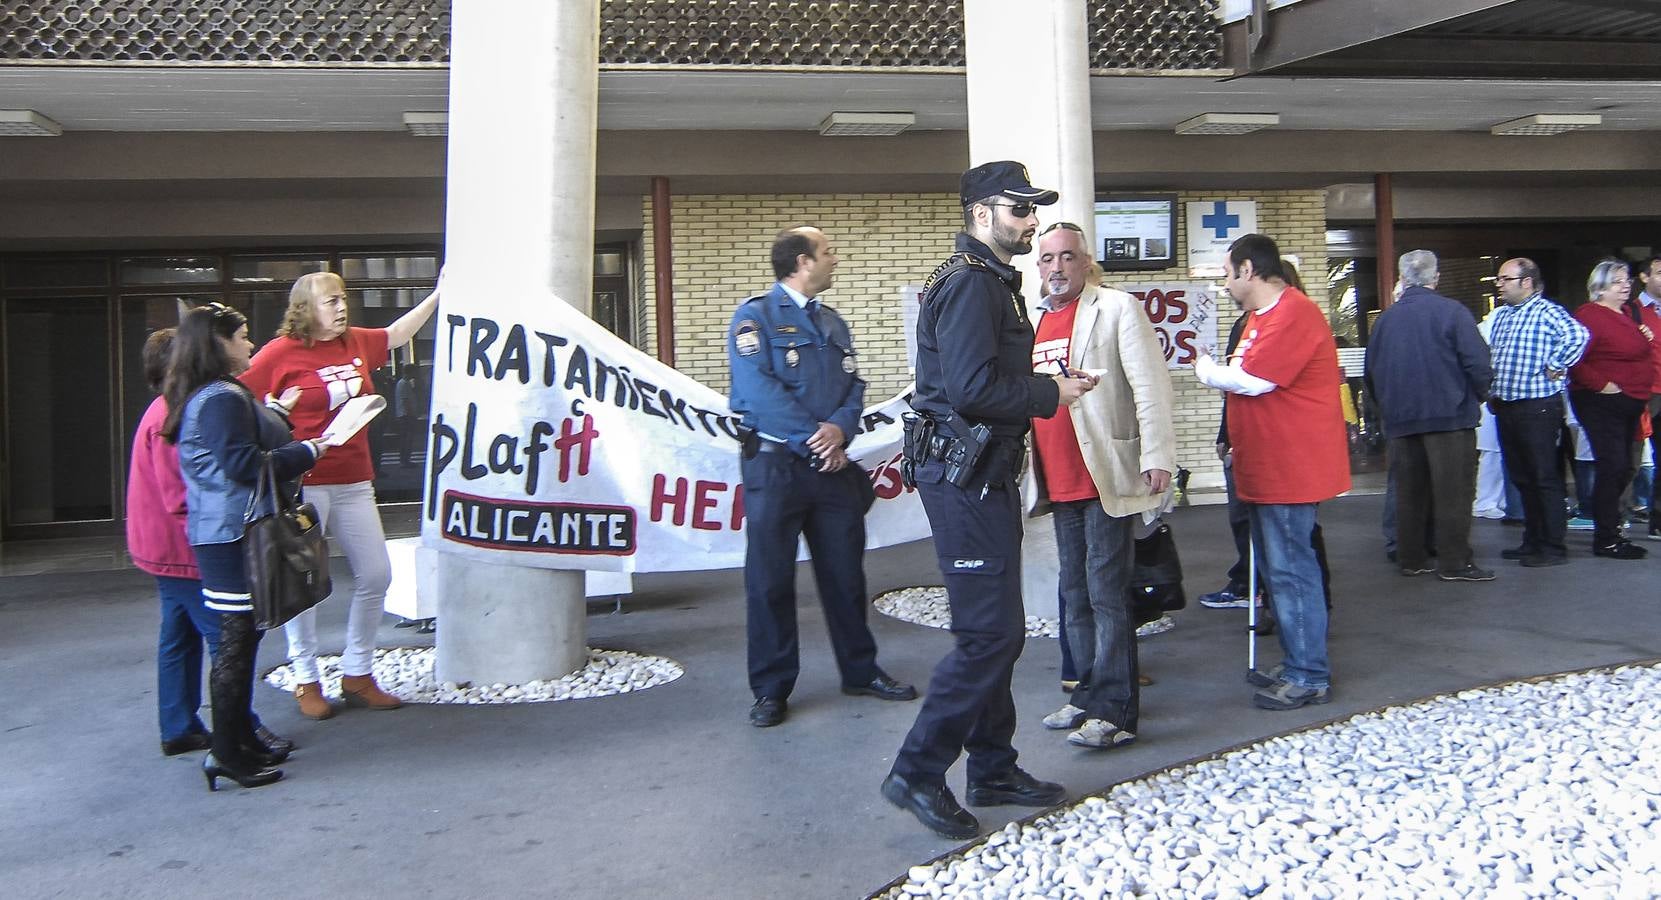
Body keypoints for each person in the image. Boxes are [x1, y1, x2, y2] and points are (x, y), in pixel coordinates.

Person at [881, 161, 1095, 840]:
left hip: (982, 474)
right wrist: (1047, 396)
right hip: (965, 478)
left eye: (1032, 209)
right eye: (1018, 209)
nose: (1030, 221)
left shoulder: (990, 284)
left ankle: (993, 767)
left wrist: (1040, 384)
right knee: (989, 636)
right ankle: (916, 770)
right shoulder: (973, 286)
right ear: (981, 214)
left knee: (995, 630)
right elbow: (972, 391)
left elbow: (977, 380)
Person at [726, 226, 916, 728]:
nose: (836, 259)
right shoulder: (755, 318)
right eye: (827, 253)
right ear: (801, 262)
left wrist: (840, 428)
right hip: (776, 467)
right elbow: (758, 391)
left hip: (829, 468)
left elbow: (853, 385)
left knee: (846, 576)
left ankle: (860, 671)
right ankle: (770, 689)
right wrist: (817, 441)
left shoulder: (831, 321)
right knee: (769, 582)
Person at [240, 271, 441, 718]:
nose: (341, 307)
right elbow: (237, 401)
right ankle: (305, 677)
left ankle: (358, 672)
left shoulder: (354, 342)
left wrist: (438, 294)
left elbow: (396, 334)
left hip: (355, 480)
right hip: (304, 484)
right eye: (330, 301)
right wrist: (272, 423)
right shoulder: (279, 353)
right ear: (305, 308)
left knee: (375, 575)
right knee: (302, 583)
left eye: (343, 298)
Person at [1021, 221, 1175, 750]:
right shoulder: (1034, 322)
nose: (1057, 268)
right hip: (1056, 479)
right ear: (1037, 267)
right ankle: (1087, 694)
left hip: (1103, 473)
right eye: (1047, 259)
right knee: (1075, 591)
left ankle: (1117, 711)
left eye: (1067, 257)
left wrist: (1157, 455)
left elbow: (1150, 386)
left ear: (1085, 262)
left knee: (1107, 592)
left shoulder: (1115, 308)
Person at [163, 303, 326, 789]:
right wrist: (311, 450)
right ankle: (226, 752)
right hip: (234, 534)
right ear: (218, 344)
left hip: (227, 532)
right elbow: (242, 464)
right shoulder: (219, 397)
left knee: (243, 637)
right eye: (242, 337)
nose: (251, 345)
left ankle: (236, 742)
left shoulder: (214, 394)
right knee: (235, 643)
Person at [1194, 233, 1349, 711]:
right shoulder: (1264, 318)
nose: (1225, 282)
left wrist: (1204, 368)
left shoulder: (1294, 312)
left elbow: (1254, 379)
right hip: (1267, 464)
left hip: (1290, 466)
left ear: (1248, 270)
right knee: (1279, 569)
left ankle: (1309, 673)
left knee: (1290, 569)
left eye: (1227, 273)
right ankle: (1299, 660)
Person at [127, 328, 292, 759]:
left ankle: (178, 724)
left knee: (178, 636)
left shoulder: (165, 410)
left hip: (159, 546)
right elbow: (181, 495)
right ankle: (239, 733)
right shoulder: (175, 415)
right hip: (184, 548)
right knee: (228, 639)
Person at [1364, 250, 1495, 581]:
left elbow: (1371, 373)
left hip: (1401, 421)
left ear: (1402, 279)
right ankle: (1454, 563)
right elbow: (1477, 362)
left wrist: (1386, 411)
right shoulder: (1453, 313)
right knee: (1453, 493)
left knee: (1409, 493)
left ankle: (1411, 558)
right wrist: (1481, 395)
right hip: (1449, 419)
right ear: (1436, 278)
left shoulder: (1385, 320)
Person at [1488, 257, 1589, 567]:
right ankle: (1531, 540)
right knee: (1522, 477)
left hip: (1537, 406)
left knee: (1543, 476)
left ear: (1527, 282)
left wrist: (1556, 365)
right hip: (1507, 405)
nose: (1500, 285)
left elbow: (1579, 336)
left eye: (1506, 279)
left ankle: (1552, 546)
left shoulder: (1547, 311)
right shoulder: (1502, 315)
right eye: (1500, 279)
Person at [1567, 259, 1651, 559]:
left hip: (1631, 400)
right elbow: (1574, 359)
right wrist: (1602, 384)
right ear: (1600, 287)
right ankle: (1606, 538)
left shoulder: (1627, 314)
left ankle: (1612, 527)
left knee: (1626, 466)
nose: (1626, 284)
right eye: (1617, 280)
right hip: (1603, 402)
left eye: (1626, 279)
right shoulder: (1589, 316)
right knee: (1612, 466)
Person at [1632, 255, 1661, 540]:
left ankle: (1658, 521)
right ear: (1644, 277)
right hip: (1644, 393)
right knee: (1629, 458)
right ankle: (1616, 519)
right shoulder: (1633, 310)